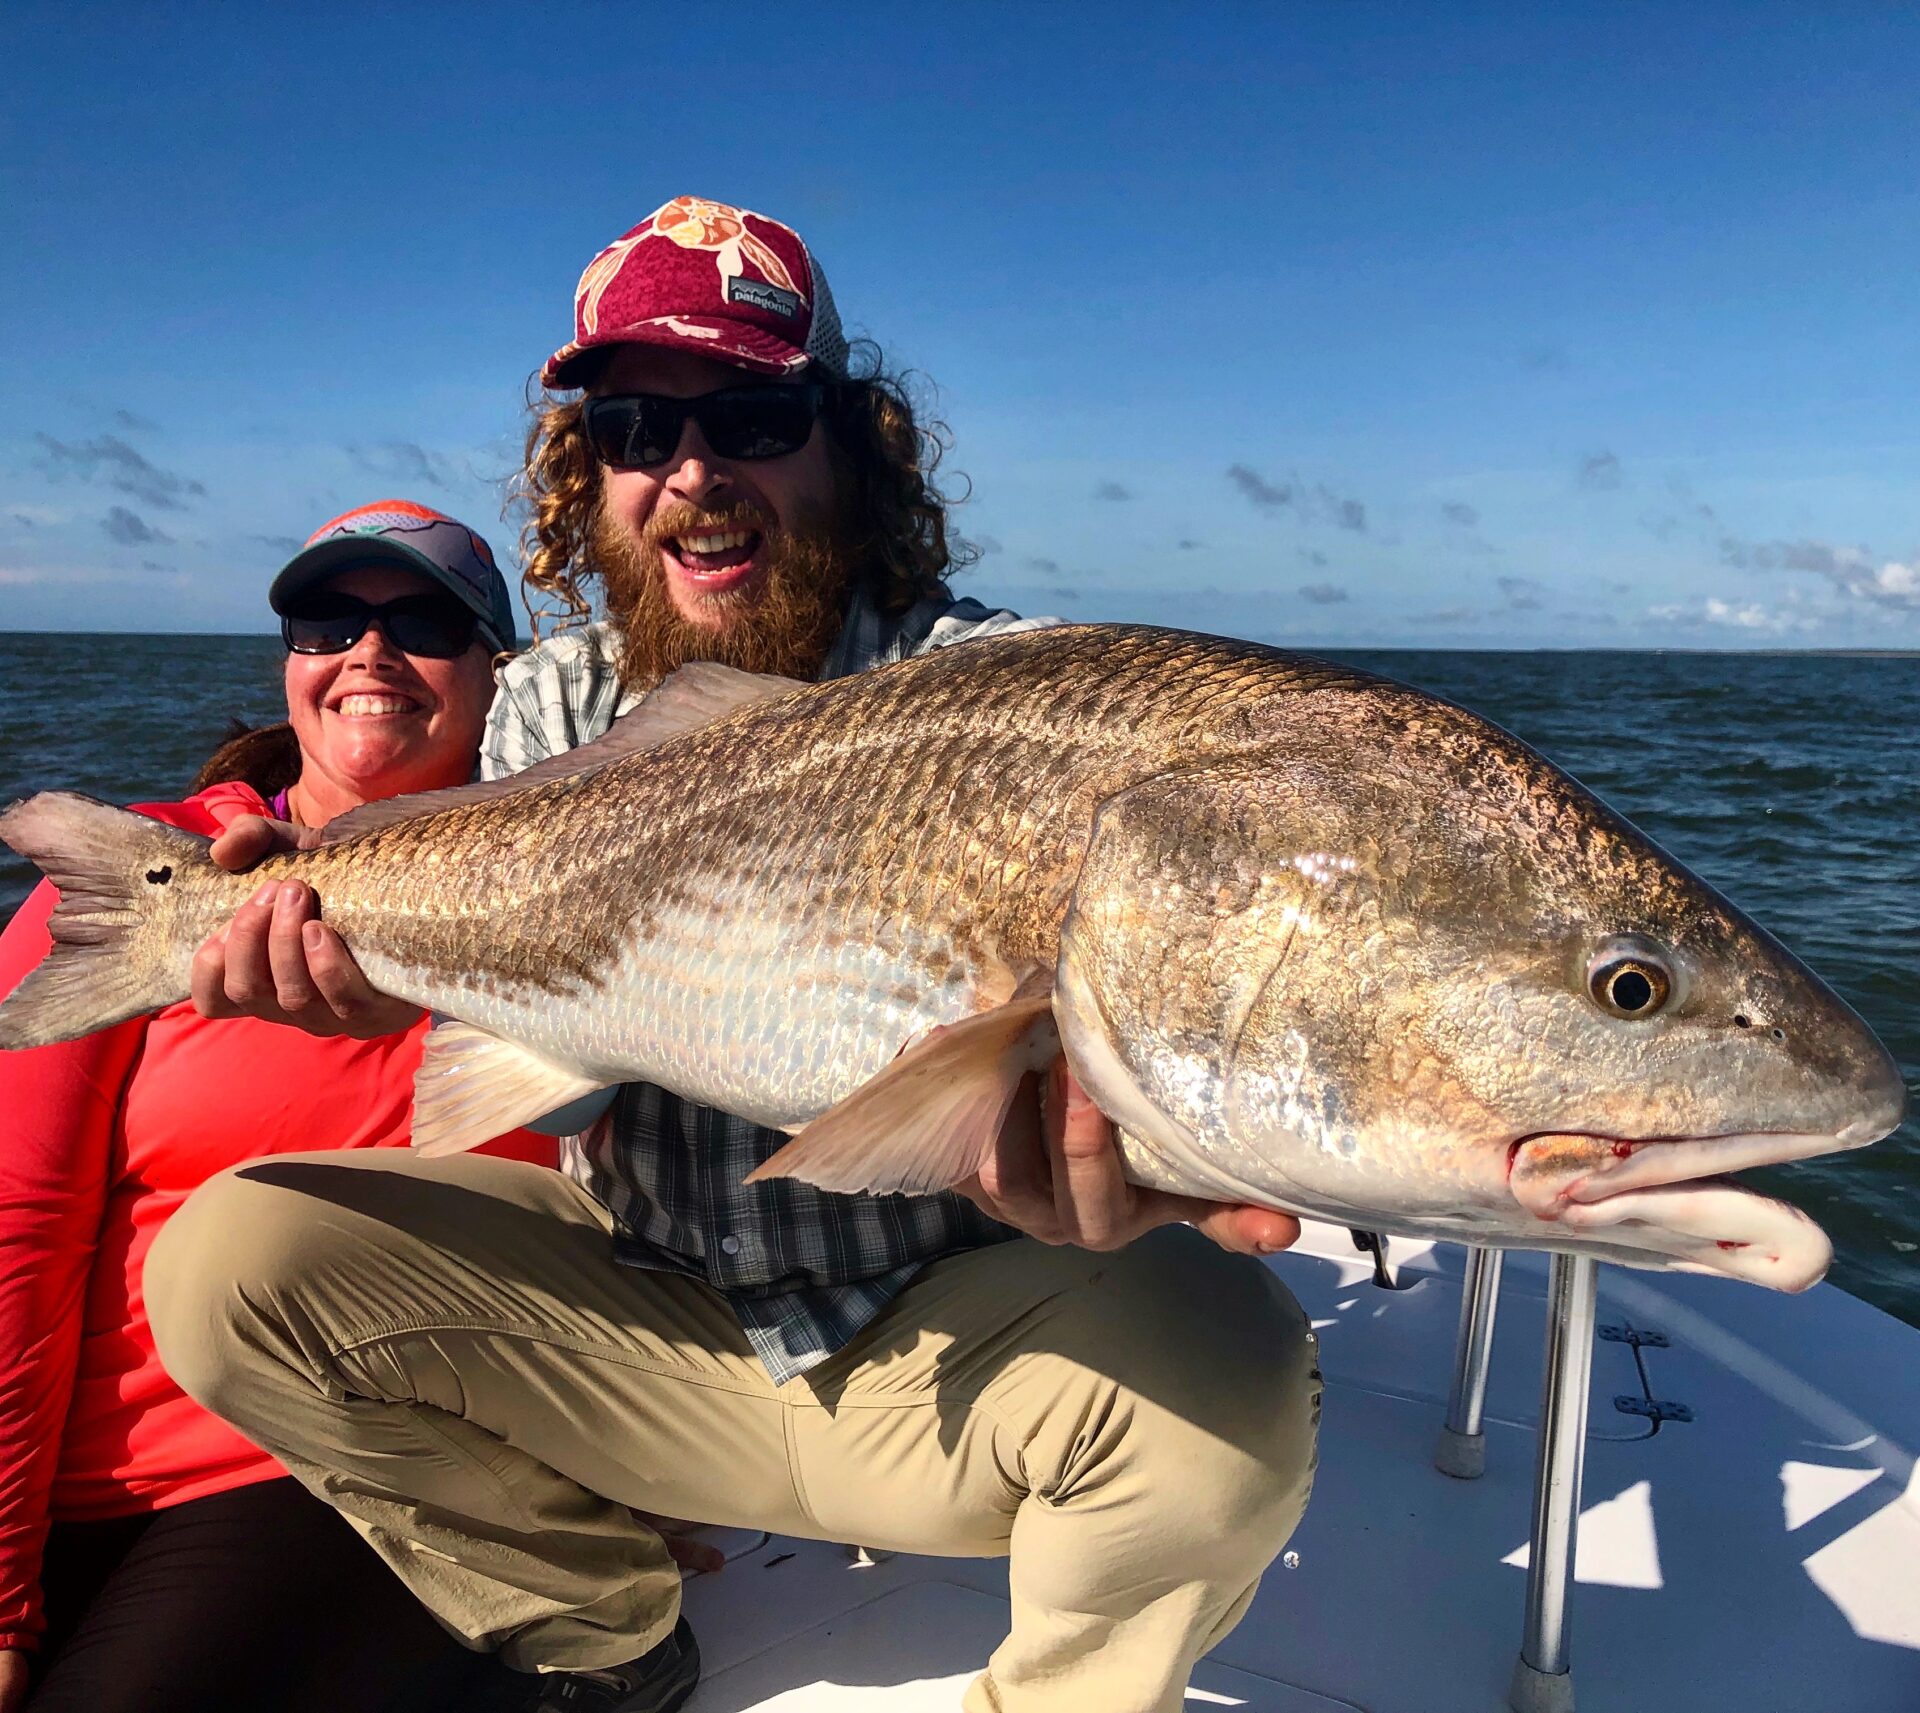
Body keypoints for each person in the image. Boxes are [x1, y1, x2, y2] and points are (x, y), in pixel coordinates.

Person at [148, 198, 1322, 1713]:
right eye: (638, 428)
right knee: (234, 1263)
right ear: (597, 476)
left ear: (848, 445)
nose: (694, 473)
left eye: (753, 416)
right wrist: (375, 977)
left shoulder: (995, 684)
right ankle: (603, 1624)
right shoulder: (547, 706)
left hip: (950, 1342)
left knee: (1231, 1366)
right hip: (643, 1321)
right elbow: (556, 1089)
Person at [0, 501, 556, 1713]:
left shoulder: (575, 890)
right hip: (52, 1482)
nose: (369, 652)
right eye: (327, 621)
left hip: (327, 1469)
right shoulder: (154, 874)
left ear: (497, 671)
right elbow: (17, 1219)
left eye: (423, 621)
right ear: (288, 667)